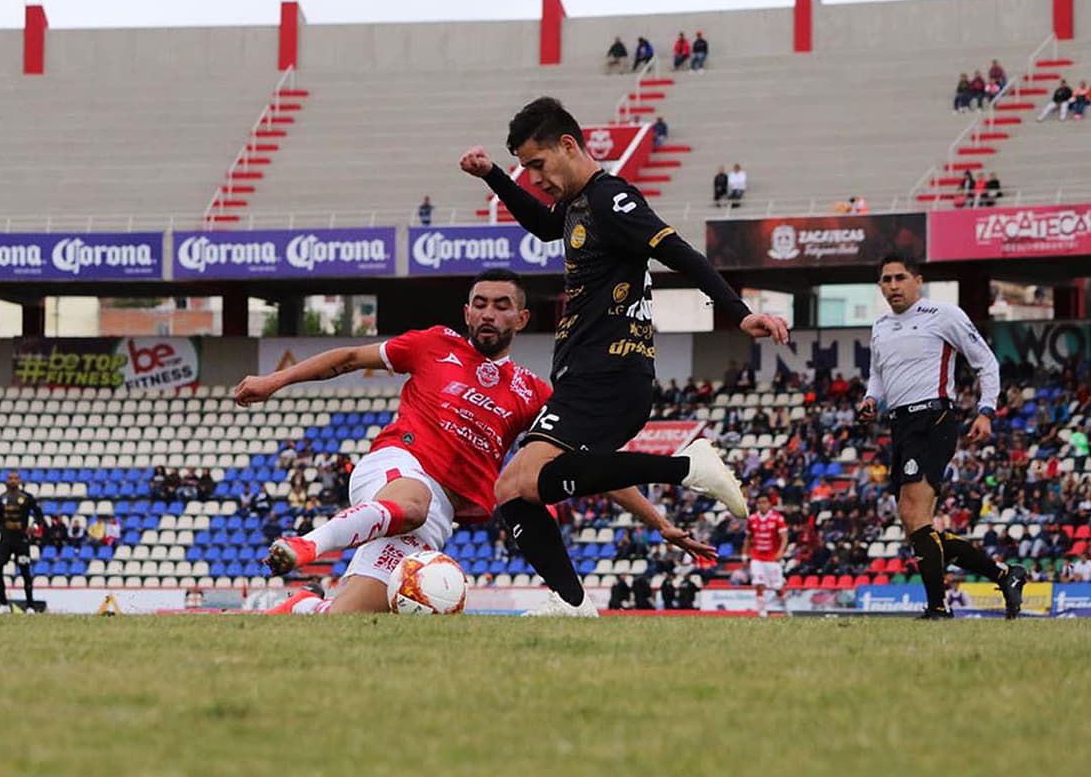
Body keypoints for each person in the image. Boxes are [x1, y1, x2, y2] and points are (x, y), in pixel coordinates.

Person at [460, 97, 789, 615]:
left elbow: (679, 250)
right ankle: (571, 601)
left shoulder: (613, 199)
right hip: (584, 373)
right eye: (527, 170)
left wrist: (738, 311)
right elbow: (545, 226)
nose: (535, 179)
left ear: (568, 145)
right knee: (513, 489)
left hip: (610, 369)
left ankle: (685, 468)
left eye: (538, 165)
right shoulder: (575, 206)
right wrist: (496, 177)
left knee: (525, 483)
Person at [236, 270, 716, 615]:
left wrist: (660, 522)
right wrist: (272, 382)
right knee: (413, 500)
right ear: (466, 311)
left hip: (438, 515)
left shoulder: (532, 391)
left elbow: (585, 465)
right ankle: (307, 545)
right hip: (396, 466)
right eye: (480, 303)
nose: (489, 313)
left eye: (502, 305)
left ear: (522, 318)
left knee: (343, 622)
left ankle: (304, 607)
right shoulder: (432, 344)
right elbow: (346, 358)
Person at [858, 253, 1026, 619]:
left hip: (933, 419)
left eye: (900, 278)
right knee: (914, 523)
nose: (892, 286)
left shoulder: (943, 315)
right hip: (900, 424)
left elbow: (985, 361)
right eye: (886, 280)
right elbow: (877, 373)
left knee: (914, 513)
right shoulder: (881, 326)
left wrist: (986, 410)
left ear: (918, 280)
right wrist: (872, 397)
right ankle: (1005, 574)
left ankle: (938, 607)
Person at [0, 470, 46, 613]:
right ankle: (3, 604)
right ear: (6, 480)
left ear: (19, 481)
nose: (13, 481)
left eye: (15, 478)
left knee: (25, 572)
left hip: (21, 540)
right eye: (10, 478)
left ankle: (29, 606)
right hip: (5, 540)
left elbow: (40, 516)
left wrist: (33, 526)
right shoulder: (1, 499)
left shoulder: (27, 498)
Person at [743, 492, 789, 617]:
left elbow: (784, 537)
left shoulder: (777, 518)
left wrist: (780, 552)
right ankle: (762, 613)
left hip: (772, 558)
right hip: (757, 557)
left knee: (777, 587)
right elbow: (748, 538)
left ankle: (786, 609)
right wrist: (744, 554)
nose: (762, 505)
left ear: (769, 504)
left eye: (764, 502)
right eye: (759, 503)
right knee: (758, 584)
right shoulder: (752, 519)